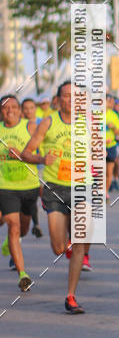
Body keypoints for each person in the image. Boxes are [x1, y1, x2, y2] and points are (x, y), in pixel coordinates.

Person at [22, 81, 90, 313]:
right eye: (65, 95)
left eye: (74, 96)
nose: (70, 99)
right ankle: (69, 250)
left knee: (80, 240)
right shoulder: (48, 122)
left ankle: (70, 296)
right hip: (55, 188)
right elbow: (26, 153)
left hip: (82, 187)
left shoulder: (89, 122)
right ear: (58, 99)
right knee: (58, 247)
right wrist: (42, 160)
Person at [0, 95, 41, 291]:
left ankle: (10, 241)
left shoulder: (31, 127)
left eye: (14, 107)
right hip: (5, 186)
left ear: (19, 109)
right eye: (6, 108)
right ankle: (22, 274)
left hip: (29, 185)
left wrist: (23, 155)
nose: (10, 111)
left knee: (23, 229)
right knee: (14, 225)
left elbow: (40, 152)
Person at [20, 98, 43, 237]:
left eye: (31, 107)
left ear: (36, 108)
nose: (29, 111)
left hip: (41, 165)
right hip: (24, 166)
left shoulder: (43, 123)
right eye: (26, 108)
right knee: (30, 198)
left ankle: (37, 223)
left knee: (39, 194)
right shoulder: (20, 125)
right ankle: (35, 224)